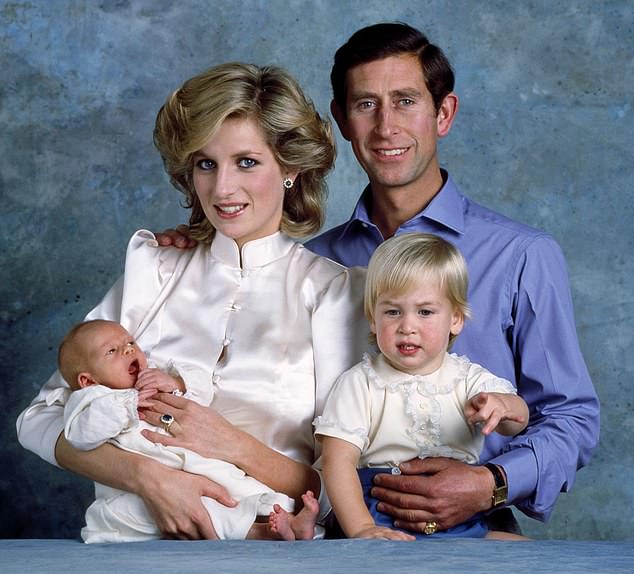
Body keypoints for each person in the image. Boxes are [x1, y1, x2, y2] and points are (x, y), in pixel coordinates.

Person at [151, 23, 600, 535]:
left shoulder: (522, 256)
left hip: (475, 531)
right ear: (342, 120)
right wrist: (195, 252)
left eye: (406, 101)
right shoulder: (315, 265)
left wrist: (490, 482)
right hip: (339, 531)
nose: (386, 127)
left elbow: (571, 419)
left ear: (444, 113)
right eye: (366, 105)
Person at [17, 62, 366, 540]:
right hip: (138, 552)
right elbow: (39, 419)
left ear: (290, 167)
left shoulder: (335, 293)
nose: (222, 189)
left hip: (274, 554)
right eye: (206, 163)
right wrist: (148, 478)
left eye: (246, 161)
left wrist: (233, 445)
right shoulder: (154, 269)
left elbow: (343, 492)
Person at [314, 233, 528, 540]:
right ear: (373, 319)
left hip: (460, 509)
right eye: (392, 311)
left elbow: (516, 422)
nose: (407, 326)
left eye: (425, 312)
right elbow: (338, 462)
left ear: (455, 319)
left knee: (528, 554)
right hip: (380, 509)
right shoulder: (361, 382)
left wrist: (504, 407)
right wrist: (362, 528)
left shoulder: (468, 378)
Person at [57, 319, 318, 542]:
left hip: (194, 464)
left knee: (238, 486)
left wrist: (175, 383)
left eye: (131, 343)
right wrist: (129, 402)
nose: (128, 350)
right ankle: (264, 533)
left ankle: (289, 516)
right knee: (205, 509)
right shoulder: (89, 401)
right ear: (87, 380)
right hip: (141, 495)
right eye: (112, 351)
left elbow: (204, 388)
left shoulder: (154, 375)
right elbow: (81, 435)